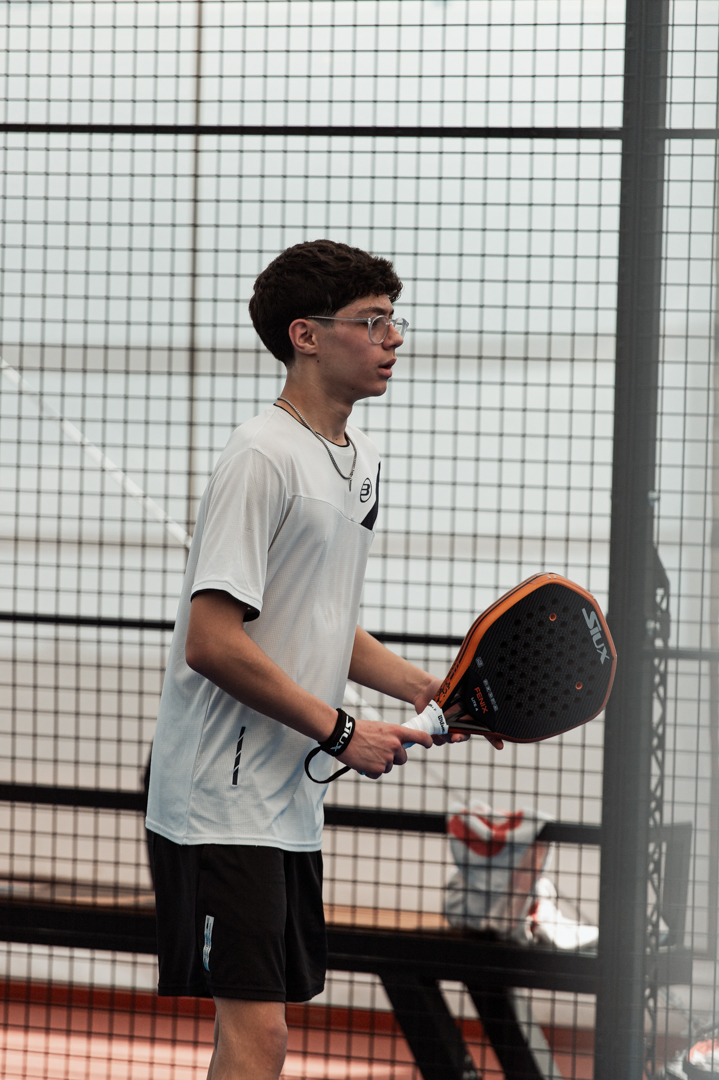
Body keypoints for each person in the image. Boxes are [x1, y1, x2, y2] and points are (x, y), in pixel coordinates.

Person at [145, 239, 484, 1080]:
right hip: (219, 801)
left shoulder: (361, 461)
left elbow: (322, 618)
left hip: (287, 797)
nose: (392, 338)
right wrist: (341, 731)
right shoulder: (260, 456)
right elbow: (212, 640)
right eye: (371, 322)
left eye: (394, 320)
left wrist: (426, 686)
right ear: (305, 335)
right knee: (260, 1038)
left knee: (259, 1035)